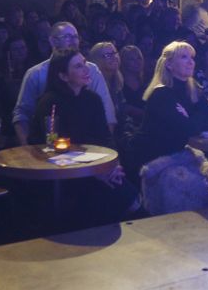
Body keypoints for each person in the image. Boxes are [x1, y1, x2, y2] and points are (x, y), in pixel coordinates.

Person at [28, 49, 140, 225]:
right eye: (78, 66)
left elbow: (105, 137)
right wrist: (95, 172)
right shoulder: (50, 102)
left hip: (96, 166)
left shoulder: (92, 99)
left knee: (132, 198)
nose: (86, 70)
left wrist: (112, 165)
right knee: (118, 199)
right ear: (64, 76)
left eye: (85, 63)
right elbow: (50, 148)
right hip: (65, 172)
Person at [132, 42, 208, 214]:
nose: (190, 62)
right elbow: (188, 128)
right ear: (169, 64)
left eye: (191, 58)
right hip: (155, 156)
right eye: (183, 57)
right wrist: (194, 119)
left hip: (179, 152)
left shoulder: (192, 90)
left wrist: (191, 117)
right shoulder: (161, 93)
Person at [12, 22, 115, 145]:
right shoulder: (36, 75)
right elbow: (22, 114)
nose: (74, 41)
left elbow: (107, 115)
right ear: (53, 41)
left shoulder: (92, 72)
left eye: (76, 37)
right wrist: (26, 150)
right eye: (67, 37)